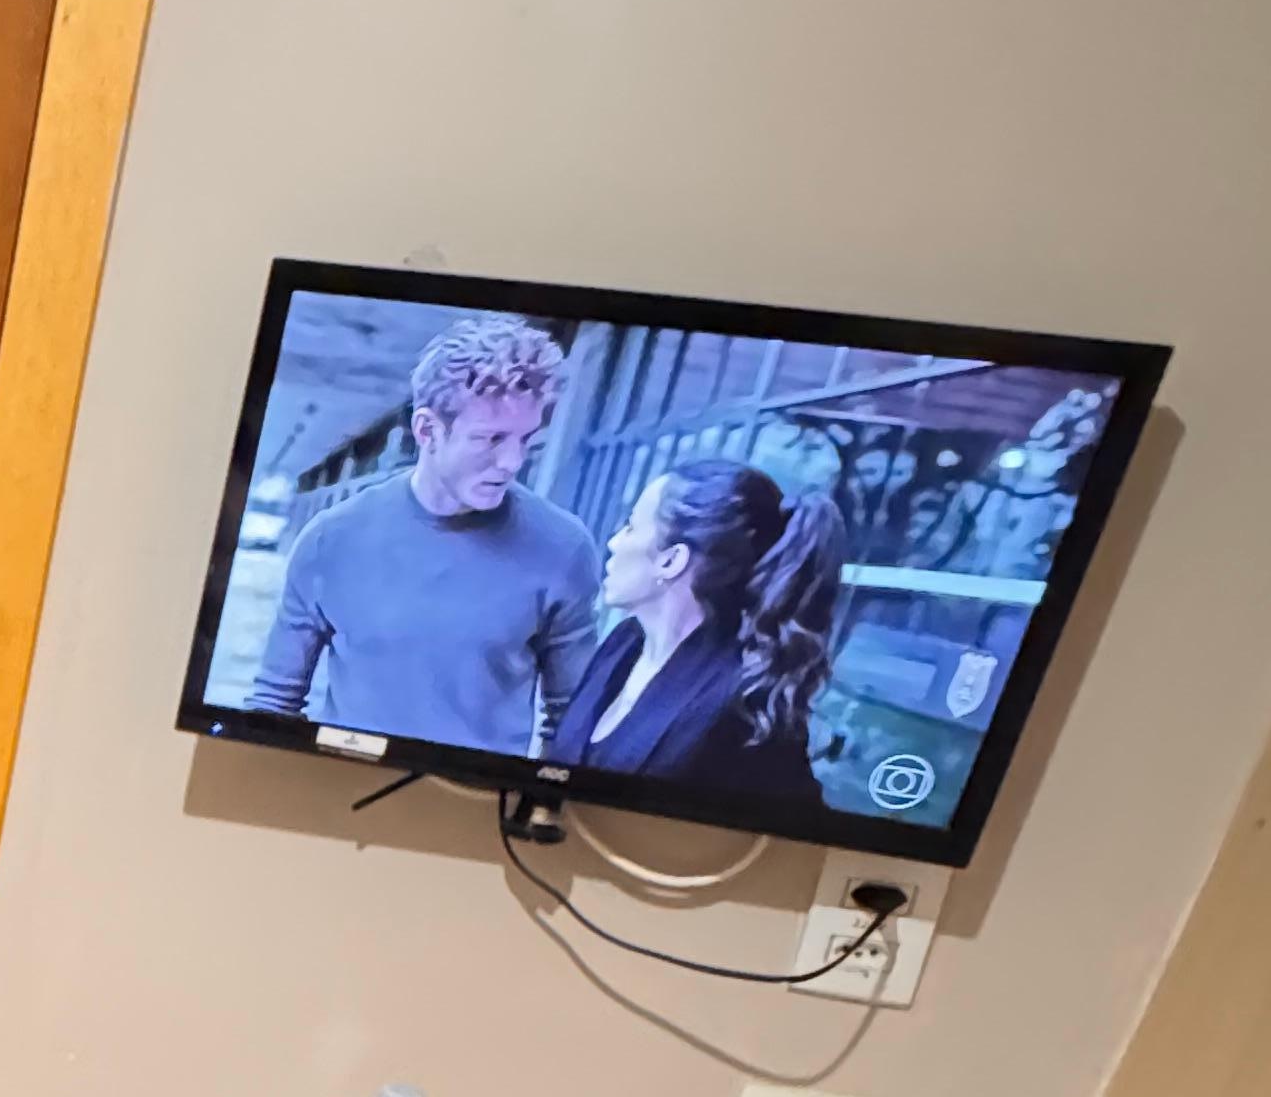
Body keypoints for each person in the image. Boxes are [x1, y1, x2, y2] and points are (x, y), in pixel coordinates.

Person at [253, 314, 600, 753]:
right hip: (345, 773)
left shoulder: (563, 548)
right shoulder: (330, 540)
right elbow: (273, 703)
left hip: (477, 790)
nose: (512, 462)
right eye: (491, 439)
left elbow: (571, 723)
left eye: (525, 438)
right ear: (427, 430)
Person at [545, 458, 847, 808]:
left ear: (671, 560)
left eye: (630, 527)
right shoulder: (624, 642)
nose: (613, 543)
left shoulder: (742, 700)